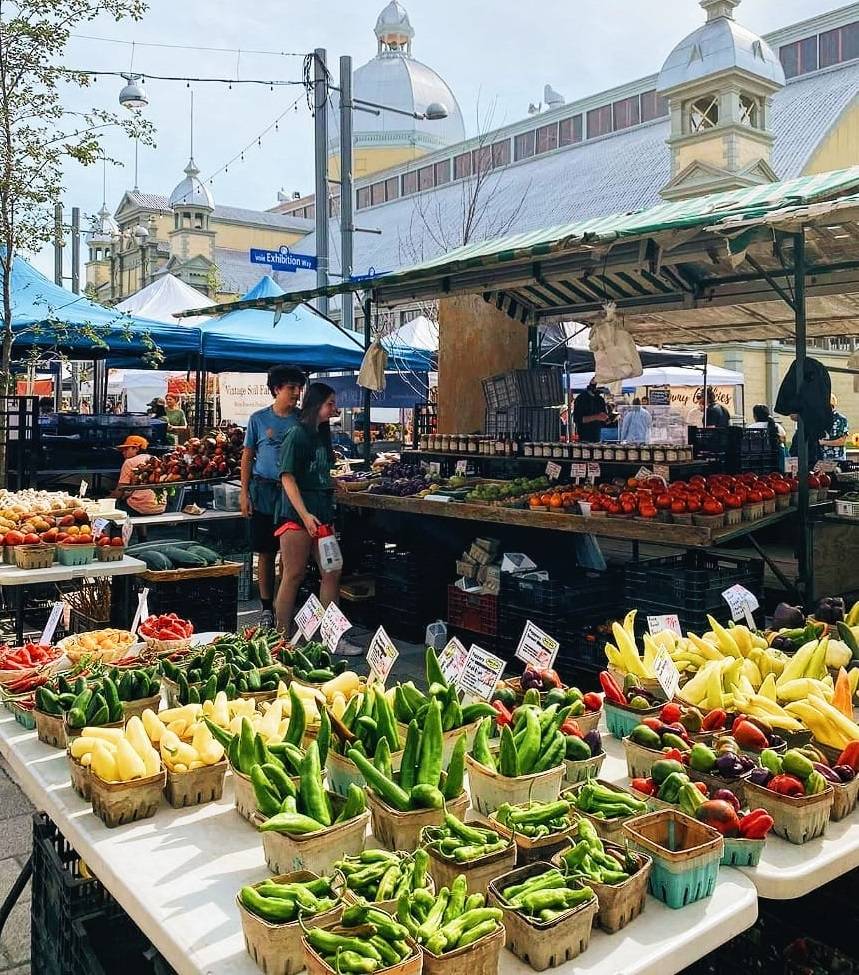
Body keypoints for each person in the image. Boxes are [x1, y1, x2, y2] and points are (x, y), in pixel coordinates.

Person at [274, 383, 360, 654]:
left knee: (332, 571)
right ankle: (281, 640)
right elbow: (287, 477)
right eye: (331, 403)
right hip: (297, 516)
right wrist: (304, 514)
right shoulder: (295, 434)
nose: (335, 409)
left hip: (322, 514)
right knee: (293, 574)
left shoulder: (323, 433)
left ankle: (333, 637)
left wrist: (333, 482)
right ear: (316, 404)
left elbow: (317, 470)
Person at [241, 365, 306, 628]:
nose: (297, 393)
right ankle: (266, 607)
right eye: (291, 387)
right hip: (264, 492)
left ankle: (283, 606)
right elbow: (247, 456)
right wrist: (244, 493)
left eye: (299, 388)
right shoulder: (258, 419)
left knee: (288, 558)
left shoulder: (303, 420)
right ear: (276, 389)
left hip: (293, 495)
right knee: (266, 553)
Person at [111, 435, 166, 516]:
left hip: (138, 507)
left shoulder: (129, 462)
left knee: (113, 508)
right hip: (160, 507)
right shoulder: (154, 459)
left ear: (136, 448)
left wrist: (106, 499)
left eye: (126, 449)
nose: (123, 452)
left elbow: (120, 490)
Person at [820, 394, 849, 462]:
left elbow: (842, 441)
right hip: (821, 457)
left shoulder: (841, 419)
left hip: (837, 457)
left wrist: (823, 442)